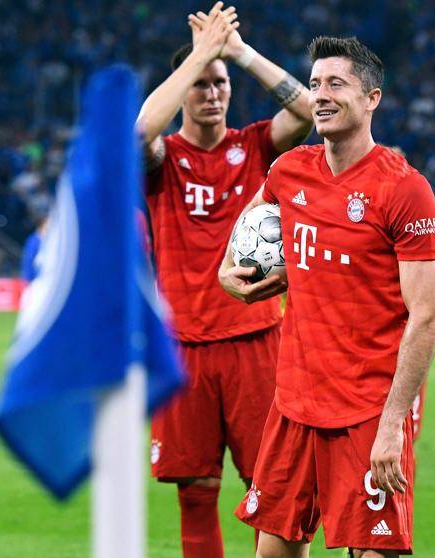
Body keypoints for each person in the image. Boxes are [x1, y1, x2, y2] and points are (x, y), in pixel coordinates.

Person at [221, 36, 435, 558]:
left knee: (374, 553)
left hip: (368, 408)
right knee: (273, 552)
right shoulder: (288, 171)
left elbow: (428, 316)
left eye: (336, 84)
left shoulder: (405, 190)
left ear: (372, 98)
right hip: (295, 402)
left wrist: (393, 425)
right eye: (315, 84)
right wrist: (228, 272)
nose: (320, 95)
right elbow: (246, 230)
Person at [134, 3, 312, 556]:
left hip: (255, 338)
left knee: (268, 486)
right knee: (195, 490)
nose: (212, 93)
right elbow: (140, 132)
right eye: (201, 84)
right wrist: (200, 56)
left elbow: (306, 110)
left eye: (220, 84)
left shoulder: (256, 145)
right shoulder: (164, 159)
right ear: (183, 89)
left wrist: (239, 53)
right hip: (182, 346)